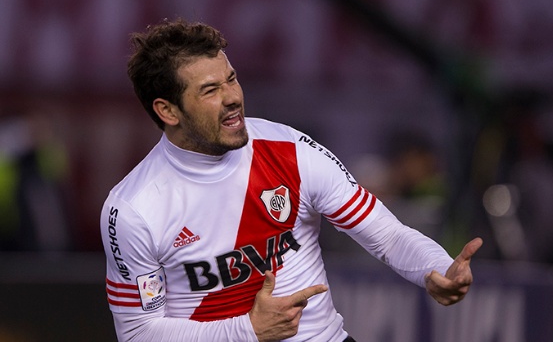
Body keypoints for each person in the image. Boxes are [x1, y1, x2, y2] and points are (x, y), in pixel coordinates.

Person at [100, 18, 483, 342]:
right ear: (167, 110)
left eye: (231, 79)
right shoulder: (134, 209)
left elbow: (388, 235)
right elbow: (138, 331)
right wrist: (247, 330)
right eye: (210, 90)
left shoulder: (291, 150)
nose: (233, 97)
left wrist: (435, 267)